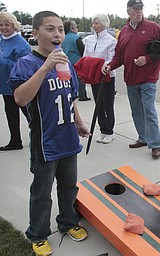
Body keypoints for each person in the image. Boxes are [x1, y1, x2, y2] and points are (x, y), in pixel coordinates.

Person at [8, 11, 90, 256]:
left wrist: (79, 121)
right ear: (35, 33)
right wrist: (45, 66)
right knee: (42, 193)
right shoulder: (28, 62)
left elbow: (70, 97)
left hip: (68, 140)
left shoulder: (65, 62)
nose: (57, 34)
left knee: (68, 187)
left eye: (60, 30)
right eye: (50, 29)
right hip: (44, 143)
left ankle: (67, 222)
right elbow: (20, 98)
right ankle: (38, 234)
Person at [106, 0, 160, 159]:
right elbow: (119, 56)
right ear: (128, 11)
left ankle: (155, 144)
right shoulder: (124, 32)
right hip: (131, 79)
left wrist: (147, 59)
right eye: (135, 9)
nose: (139, 11)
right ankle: (143, 138)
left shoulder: (153, 27)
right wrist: (109, 66)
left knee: (149, 110)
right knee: (136, 112)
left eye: (140, 8)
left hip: (148, 78)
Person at [0, 12, 31, 151]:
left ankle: (42, 137)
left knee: (30, 115)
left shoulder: (21, 44)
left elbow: (23, 67)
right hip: (5, 87)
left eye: (7, 24)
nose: (3, 28)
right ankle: (15, 141)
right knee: (11, 114)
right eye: (1, 25)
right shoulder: (2, 40)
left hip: (19, 87)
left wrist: (1, 61)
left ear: (14, 25)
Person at [83, 13, 116, 144]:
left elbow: (111, 59)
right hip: (94, 76)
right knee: (98, 104)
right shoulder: (89, 39)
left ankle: (109, 131)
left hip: (107, 77)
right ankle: (102, 129)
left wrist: (101, 65)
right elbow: (85, 57)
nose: (94, 26)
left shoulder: (111, 40)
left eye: (96, 23)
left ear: (104, 24)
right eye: (93, 23)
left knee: (108, 104)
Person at [62, 20, 90, 101]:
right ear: (72, 28)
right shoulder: (76, 38)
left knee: (69, 79)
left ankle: (71, 94)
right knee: (80, 79)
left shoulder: (63, 37)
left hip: (66, 61)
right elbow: (82, 50)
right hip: (77, 61)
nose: (77, 29)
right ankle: (82, 95)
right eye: (76, 27)